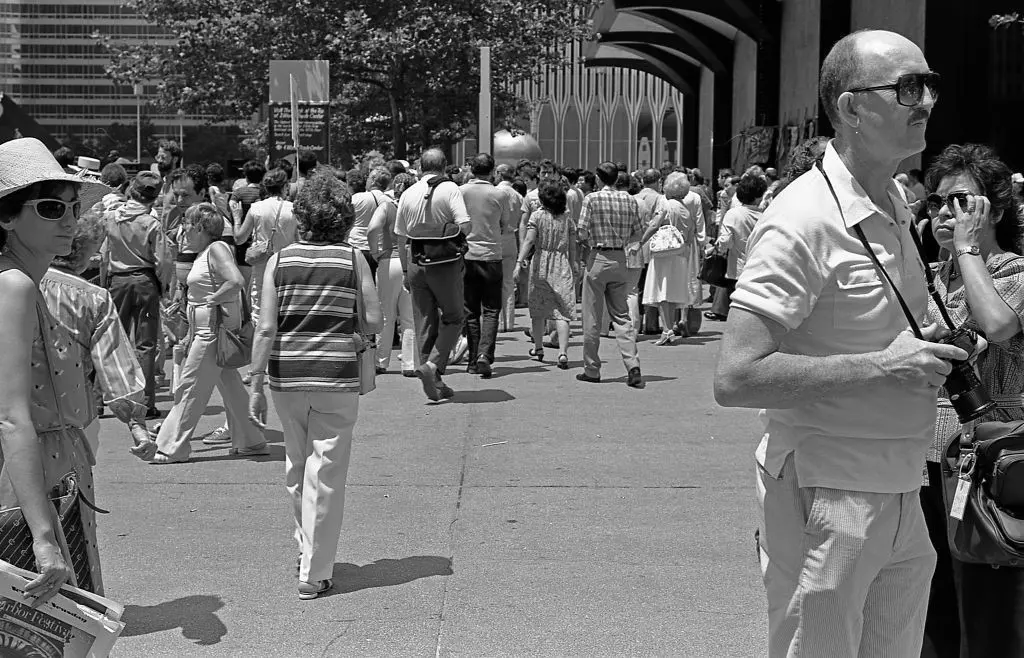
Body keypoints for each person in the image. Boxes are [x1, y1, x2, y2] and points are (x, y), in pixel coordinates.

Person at [715, 31, 964, 657]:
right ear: (852, 108)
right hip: (831, 493)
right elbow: (737, 377)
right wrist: (883, 365)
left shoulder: (894, 202)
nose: (926, 101)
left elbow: (876, 330)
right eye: (908, 88)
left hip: (903, 482)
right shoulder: (802, 219)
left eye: (929, 86)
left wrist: (917, 343)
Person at [247, 171, 381, 600]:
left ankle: (306, 549)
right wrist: (358, 332)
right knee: (327, 471)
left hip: (287, 374)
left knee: (296, 464)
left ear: (301, 216)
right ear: (342, 218)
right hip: (335, 375)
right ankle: (315, 569)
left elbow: (266, 328)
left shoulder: (278, 262)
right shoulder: (352, 259)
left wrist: (254, 381)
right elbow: (375, 319)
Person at [918, 144, 1024, 658]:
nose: (943, 213)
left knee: (989, 609)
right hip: (927, 459)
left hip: (992, 461)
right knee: (929, 600)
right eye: (937, 202)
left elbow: (1000, 325)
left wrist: (967, 249)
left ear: (996, 209)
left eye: (961, 202)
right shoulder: (932, 279)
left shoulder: (1014, 271)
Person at [0, 137, 113, 600]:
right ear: (6, 216)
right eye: (49, 208)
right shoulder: (15, 285)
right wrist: (43, 538)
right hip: (27, 491)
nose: (69, 220)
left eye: (71, 207)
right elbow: (11, 417)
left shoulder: (23, 279)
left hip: (49, 478)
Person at [150, 203, 267, 463]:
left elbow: (235, 281)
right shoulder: (209, 251)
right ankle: (252, 439)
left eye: (187, 225)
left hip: (211, 333)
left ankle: (171, 446)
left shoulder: (215, 248)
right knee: (230, 386)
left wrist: (210, 301)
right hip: (210, 330)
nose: (184, 231)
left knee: (189, 386)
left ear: (200, 227)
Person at [42, 210, 156, 460]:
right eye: (95, 250)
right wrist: (137, 424)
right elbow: (116, 364)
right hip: (71, 410)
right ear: (80, 251)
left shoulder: (14, 281)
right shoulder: (94, 298)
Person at [394, 148, 471, 401]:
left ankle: (434, 380)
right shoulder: (450, 189)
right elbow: (465, 225)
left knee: (424, 321)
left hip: (416, 262)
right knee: (454, 317)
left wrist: (406, 270)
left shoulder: (407, 193)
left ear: (419, 167)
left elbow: (401, 236)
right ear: (445, 166)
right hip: (445, 263)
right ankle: (433, 365)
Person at [103, 171, 173, 419]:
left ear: (131, 191)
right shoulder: (151, 223)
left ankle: (103, 398)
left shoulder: (111, 218)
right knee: (146, 344)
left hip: (117, 282)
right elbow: (163, 262)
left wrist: (104, 283)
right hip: (144, 281)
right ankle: (145, 403)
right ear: (152, 199)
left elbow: (104, 255)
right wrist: (163, 288)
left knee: (110, 341)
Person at [576, 161, 644, 388]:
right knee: (622, 316)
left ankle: (592, 369)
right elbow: (637, 231)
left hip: (598, 258)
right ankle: (633, 365)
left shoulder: (592, 199)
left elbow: (582, 231)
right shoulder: (629, 200)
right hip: (620, 258)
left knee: (592, 317)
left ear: (598, 178)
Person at [514, 182, 579, 369]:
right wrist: (574, 264)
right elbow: (572, 246)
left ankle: (538, 347)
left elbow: (529, 240)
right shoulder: (567, 219)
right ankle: (563, 352)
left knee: (538, 307)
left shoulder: (538, 216)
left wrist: (519, 262)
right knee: (562, 310)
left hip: (541, 263)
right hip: (562, 263)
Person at [460, 153, 509, 378]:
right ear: (492, 171)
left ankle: (472, 359)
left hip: (467, 255)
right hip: (491, 255)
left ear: (471, 168)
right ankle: (484, 354)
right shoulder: (499, 194)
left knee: (470, 310)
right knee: (491, 309)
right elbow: (505, 224)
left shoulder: (461, 192)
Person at [367, 172, 417, 376]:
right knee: (410, 316)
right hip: (412, 261)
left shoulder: (387, 206)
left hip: (388, 262)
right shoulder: (416, 207)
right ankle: (410, 363)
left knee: (386, 314)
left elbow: (372, 229)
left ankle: (381, 361)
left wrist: (375, 252)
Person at [640, 172, 697, 346]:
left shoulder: (666, 205)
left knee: (662, 292)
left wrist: (640, 241)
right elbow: (690, 235)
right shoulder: (686, 210)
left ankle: (666, 330)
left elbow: (654, 224)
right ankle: (669, 327)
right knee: (671, 294)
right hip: (680, 254)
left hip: (664, 254)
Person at [705, 175, 768, 322]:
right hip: (760, 266)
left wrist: (717, 249)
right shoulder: (765, 215)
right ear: (759, 196)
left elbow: (725, 241)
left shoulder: (733, 214)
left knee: (737, 307)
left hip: (737, 267)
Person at [238, 168, 296, 326]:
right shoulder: (293, 209)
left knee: (259, 309)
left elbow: (239, 238)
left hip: (262, 264)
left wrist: (237, 218)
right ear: (285, 187)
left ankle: (260, 346)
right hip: (288, 264)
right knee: (284, 308)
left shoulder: (256, 208)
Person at [494, 164, 523, 332]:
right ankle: (509, 322)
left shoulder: (495, 192)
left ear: (499, 174)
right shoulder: (518, 195)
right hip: (511, 237)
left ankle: (496, 321)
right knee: (508, 282)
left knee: (494, 282)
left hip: (495, 237)